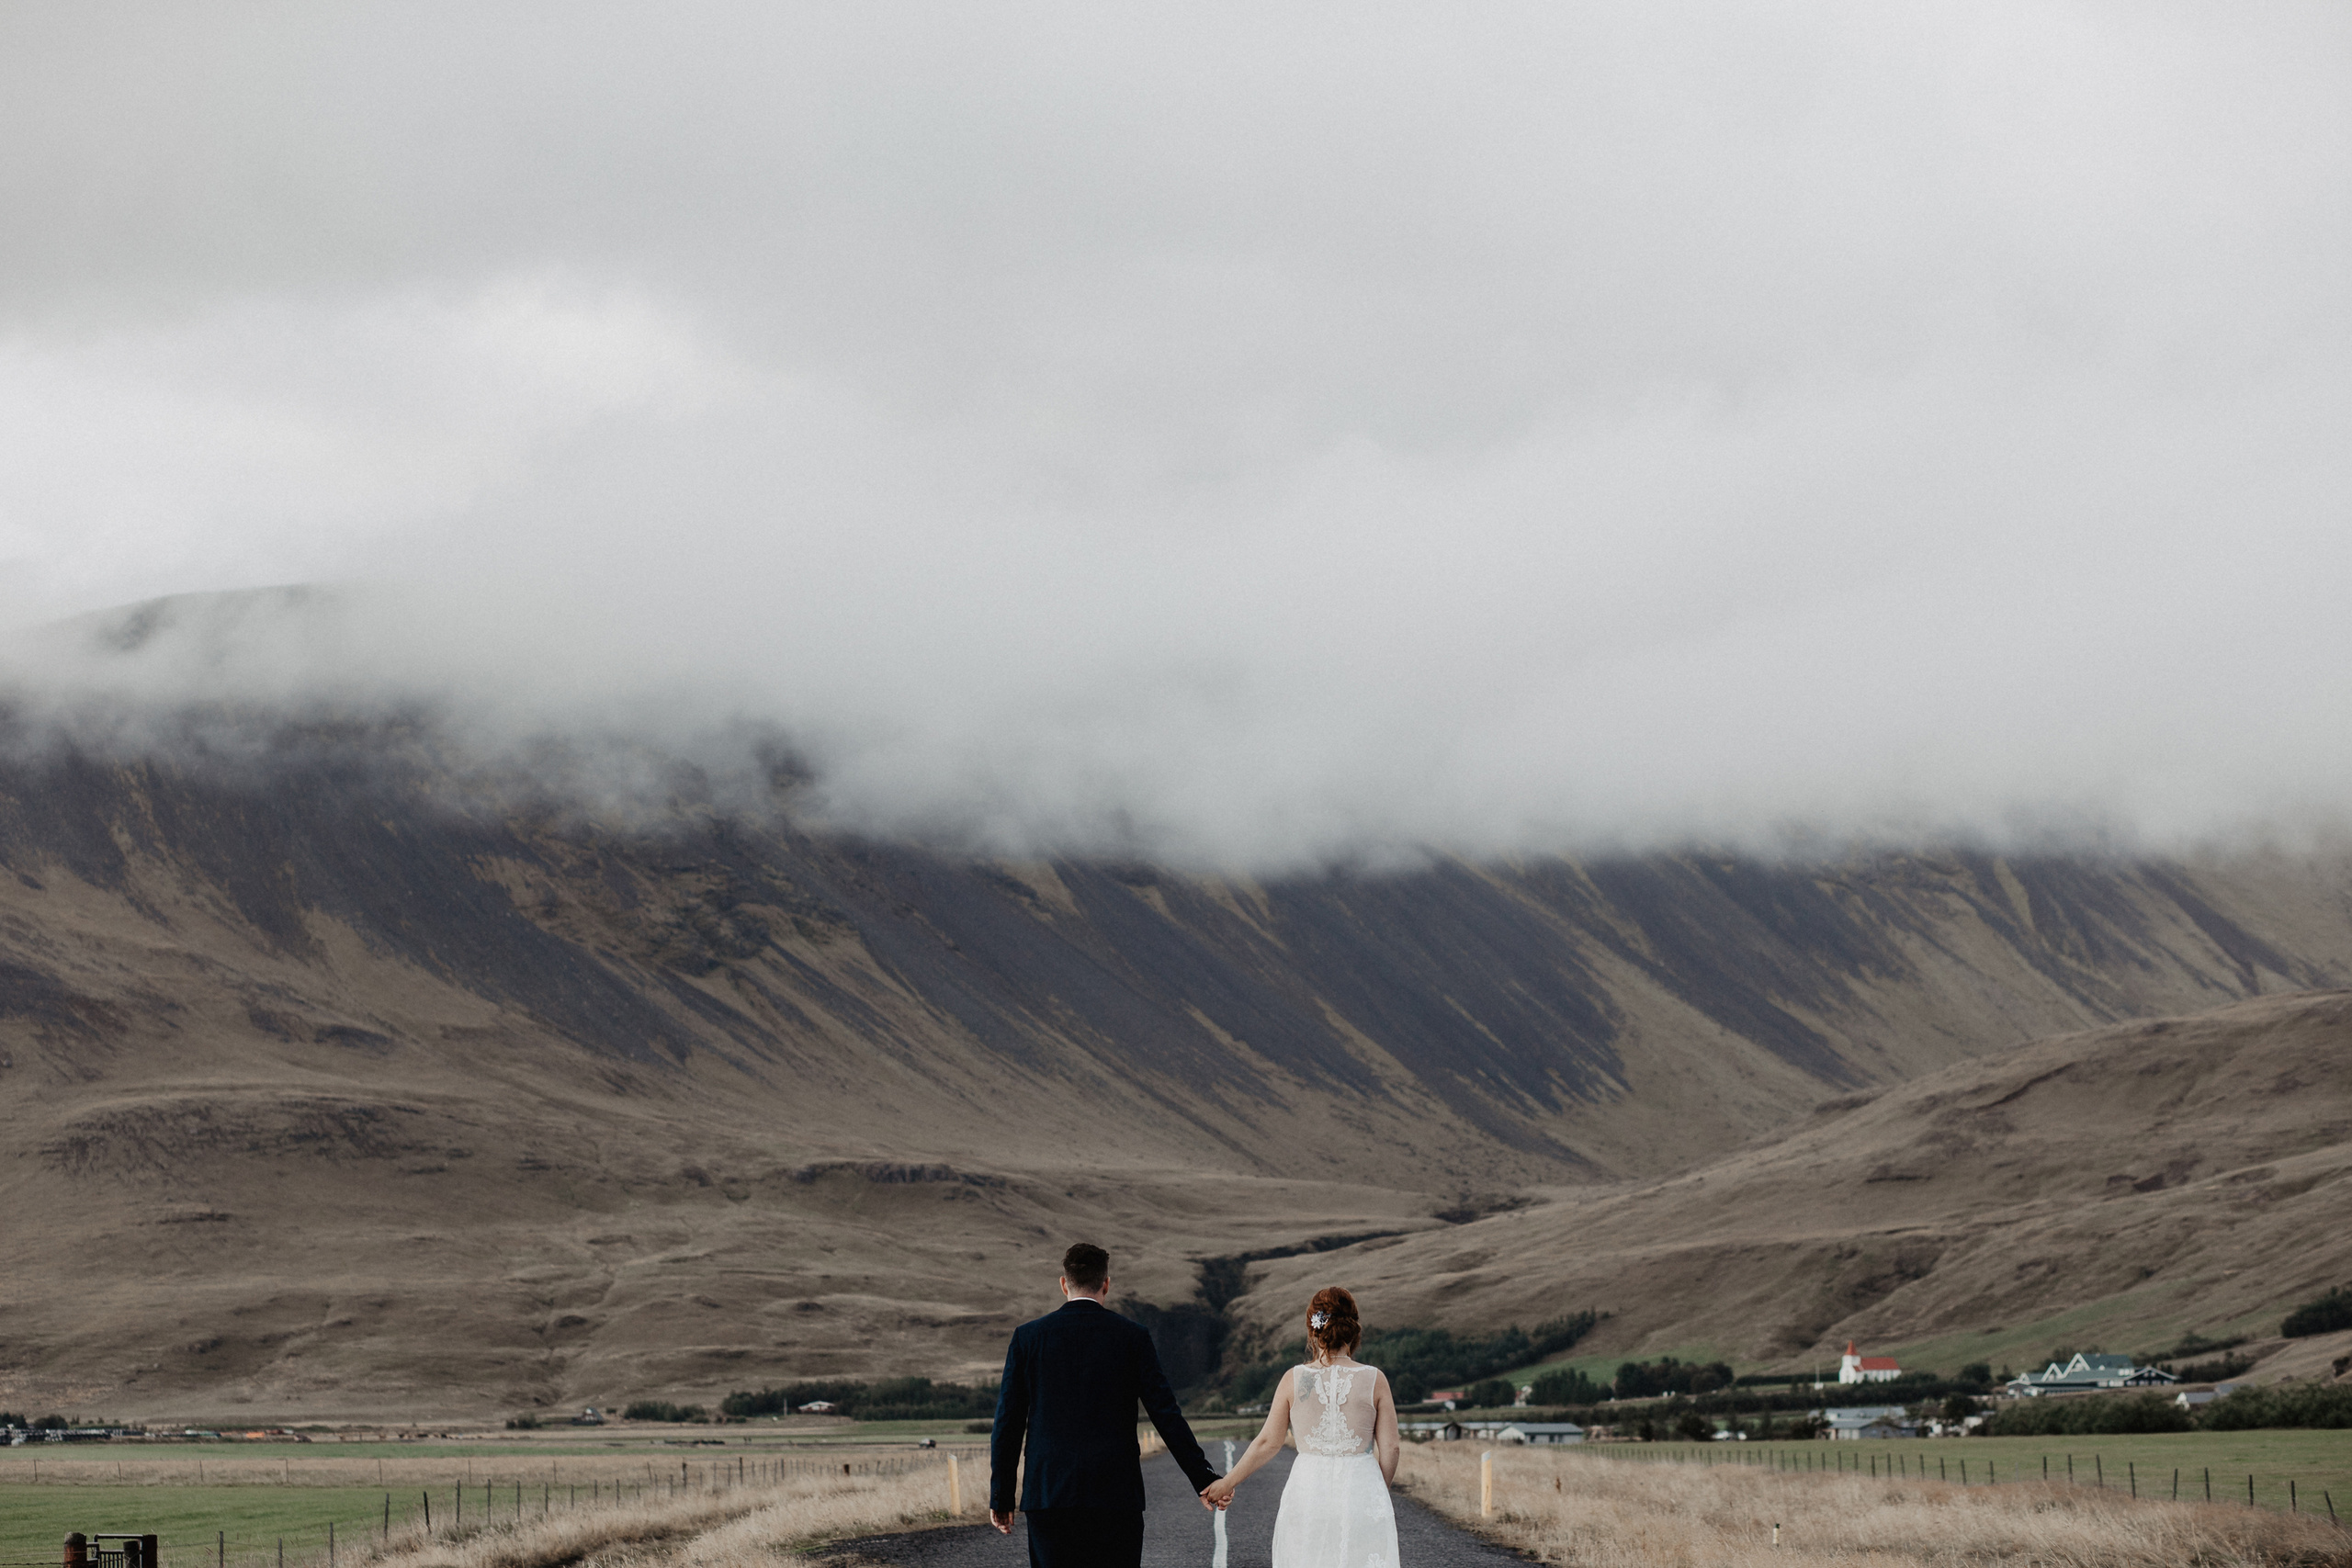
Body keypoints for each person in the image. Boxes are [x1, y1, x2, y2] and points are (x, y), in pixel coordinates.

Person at [989, 1241, 1222, 1567]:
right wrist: (1204, 1479)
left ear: (1063, 1283)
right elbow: (1165, 1413)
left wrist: (1001, 1495)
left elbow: (1008, 1423)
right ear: (1106, 1284)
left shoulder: (1028, 1337)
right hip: (1115, 1494)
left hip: (1049, 1493)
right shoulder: (1132, 1337)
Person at [1202, 1286, 1400, 1568]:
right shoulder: (1374, 1379)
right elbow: (1391, 1447)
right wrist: (1378, 1493)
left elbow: (1268, 1442)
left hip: (1308, 1492)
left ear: (1313, 1330)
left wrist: (1226, 1483)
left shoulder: (1294, 1379)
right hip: (1362, 1489)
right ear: (1353, 1330)